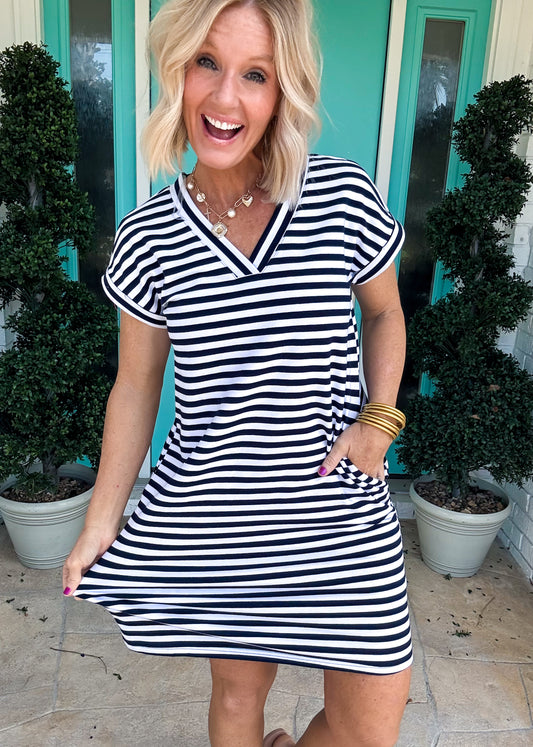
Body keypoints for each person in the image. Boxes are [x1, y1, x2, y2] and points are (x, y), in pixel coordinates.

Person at [63, 1, 412, 744]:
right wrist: (100, 520)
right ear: (177, 71)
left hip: (339, 507)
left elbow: (385, 313)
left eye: (255, 74)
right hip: (223, 515)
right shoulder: (148, 236)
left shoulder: (341, 198)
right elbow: (135, 386)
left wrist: (379, 420)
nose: (226, 97)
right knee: (236, 699)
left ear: (281, 93)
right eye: (207, 63)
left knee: (369, 727)